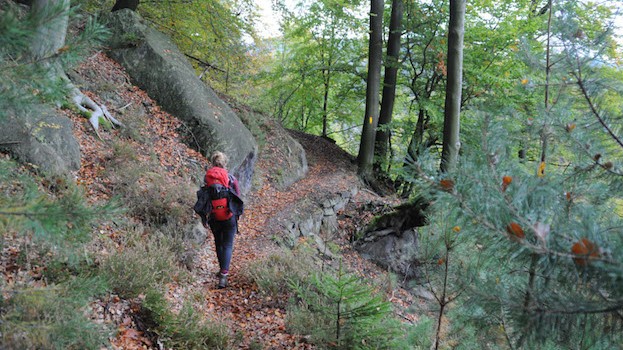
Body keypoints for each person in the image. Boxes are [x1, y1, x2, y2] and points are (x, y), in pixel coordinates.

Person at [201, 151, 242, 289]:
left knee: (218, 243)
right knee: (228, 244)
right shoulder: (231, 178)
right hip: (228, 215)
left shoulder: (207, 179)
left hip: (213, 216)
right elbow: (238, 196)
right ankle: (224, 275)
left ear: (212, 162)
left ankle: (221, 270)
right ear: (225, 163)